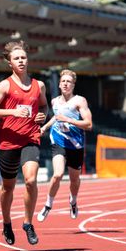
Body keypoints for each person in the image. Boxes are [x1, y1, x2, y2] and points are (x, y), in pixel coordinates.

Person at [0, 40, 48, 246]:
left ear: (28, 60)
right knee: (7, 187)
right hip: (9, 141)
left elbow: (44, 107)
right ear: (10, 63)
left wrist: (42, 116)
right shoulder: (5, 85)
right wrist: (12, 111)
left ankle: (28, 223)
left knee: (30, 180)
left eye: (23, 57)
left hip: (30, 138)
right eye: (16, 58)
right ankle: (6, 222)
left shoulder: (39, 85)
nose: (21, 61)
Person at [37, 69, 92, 223]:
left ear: (73, 85)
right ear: (59, 84)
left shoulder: (80, 101)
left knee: (74, 180)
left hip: (75, 145)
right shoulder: (54, 101)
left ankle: (73, 201)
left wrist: (69, 120)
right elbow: (56, 116)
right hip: (58, 141)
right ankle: (48, 204)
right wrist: (44, 127)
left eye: (69, 81)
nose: (66, 84)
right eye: (63, 81)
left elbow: (88, 124)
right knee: (57, 174)